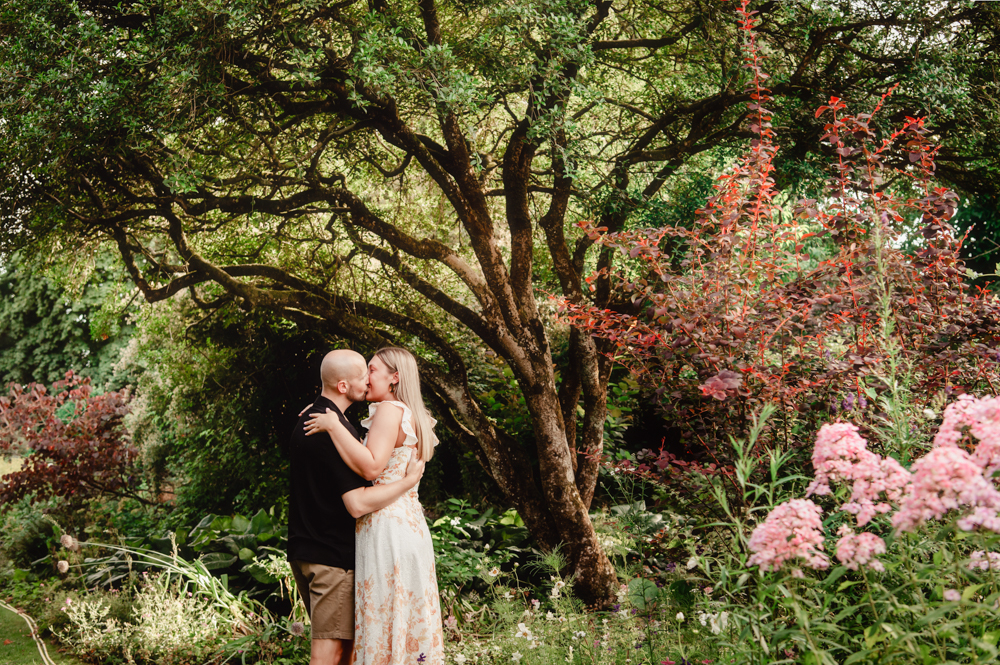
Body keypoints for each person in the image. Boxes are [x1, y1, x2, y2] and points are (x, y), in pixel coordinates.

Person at [304, 346, 445, 665]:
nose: (365, 377)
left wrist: (333, 425)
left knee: (383, 622)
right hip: (410, 525)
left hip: (385, 528)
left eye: (372, 369)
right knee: (404, 621)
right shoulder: (411, 414)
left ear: (394, 378)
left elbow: (370, 467)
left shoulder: (389, 410)